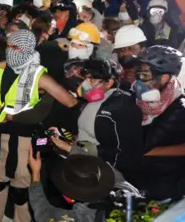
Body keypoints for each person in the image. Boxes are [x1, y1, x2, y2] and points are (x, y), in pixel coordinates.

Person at [0, 30, 79, 222]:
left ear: (28, 49)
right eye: (9, 47)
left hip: (24, 140)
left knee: (21, 189)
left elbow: (70, 102)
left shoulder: (39, 75)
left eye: (16, 47)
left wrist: (44, 105)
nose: (10, 51)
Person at [51, 60, 145, 180]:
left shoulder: (117, 109)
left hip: (101, 175)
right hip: (85, 163)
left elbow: (123, 152)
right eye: (86, 78)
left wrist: (71, 149)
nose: (86, 84)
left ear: (109, 82)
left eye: (92, 80)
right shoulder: (100, 100)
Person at [133, 46, 185, 199]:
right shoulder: (136, 100)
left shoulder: (180, 109)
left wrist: (148, 152)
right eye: (139, 73)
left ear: (164, 78)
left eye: (145, 75)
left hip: (165, 182)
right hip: (141, 175)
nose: (140, 80)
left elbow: (145, 143)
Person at [27, 150, 115, 222]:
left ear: (68, 198)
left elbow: (43, 212)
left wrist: (35, 172)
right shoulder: (120, 198)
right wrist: (70, 148)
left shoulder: (77, 217)